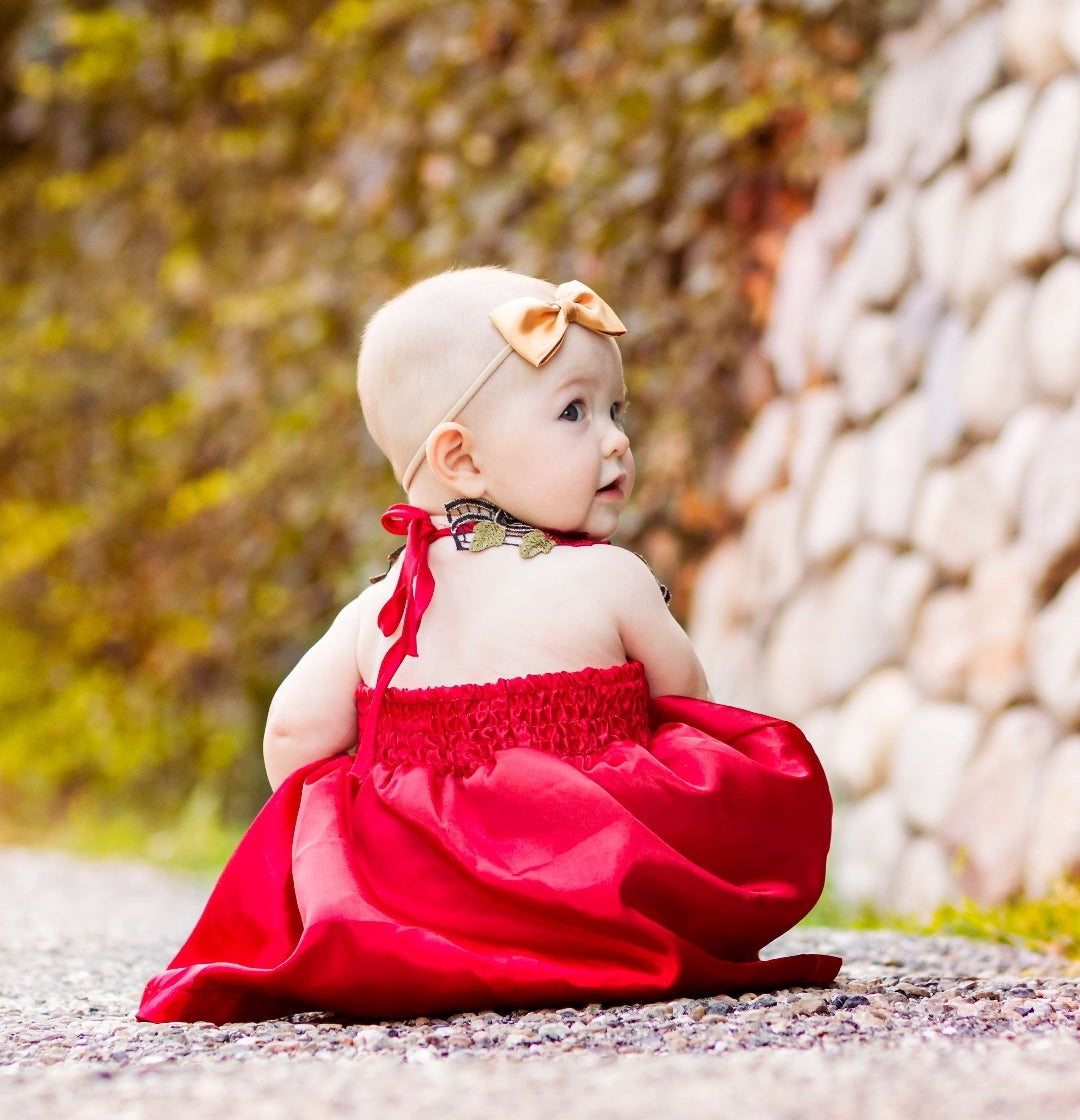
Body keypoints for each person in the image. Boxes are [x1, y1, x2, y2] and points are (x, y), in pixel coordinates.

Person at [138, 267, 840, 1024]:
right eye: (575, 412)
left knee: (345, 804)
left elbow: (292, 736)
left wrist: (374, 807)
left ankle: (409, 939)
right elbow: (690, 703)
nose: (615, 442)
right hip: (595, 888)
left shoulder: (383, 606)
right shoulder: (610, 577)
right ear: (463, 460)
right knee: (722, 773)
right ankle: (598, 940)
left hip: (425, 907)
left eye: (615, 409)